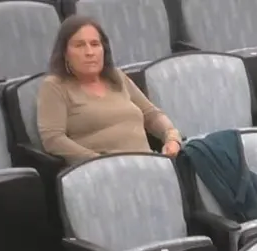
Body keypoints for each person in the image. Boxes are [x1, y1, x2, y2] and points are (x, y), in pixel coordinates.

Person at [37, 16, 182, 164]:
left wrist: (171, 137)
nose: (89, 52)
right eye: (79, 45)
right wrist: (98, 161)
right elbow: (53, 139)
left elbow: (152, 115)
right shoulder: (54, 86)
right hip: (103, 170)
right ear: (65, 53)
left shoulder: (117, 77)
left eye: (95, 44)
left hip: (149, 163)